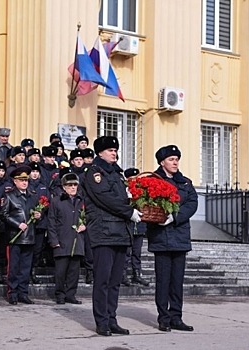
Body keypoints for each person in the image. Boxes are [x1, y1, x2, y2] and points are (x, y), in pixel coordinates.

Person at [81, 136, 142, 337]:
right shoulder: (94, 173)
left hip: (120, 233)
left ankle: (112, 318)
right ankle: (102, 322)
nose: (114, 153)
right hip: (103, 231)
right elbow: (104, 199)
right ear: (99, 153)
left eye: (115, 150)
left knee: (115, 281)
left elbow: (122, 197)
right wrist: (128, 211)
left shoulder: (117, 173)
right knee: (103, 280)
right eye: (109, 150)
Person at [146, 145, 198, 332]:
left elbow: (192, 203)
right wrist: (160, 217)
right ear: (162, 162)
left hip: (180, 235)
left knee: (177, 281)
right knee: (163, 280)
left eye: (177, 159)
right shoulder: (153, 180)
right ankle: (164, 318)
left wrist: (175, 217)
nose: (175, 162)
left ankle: (176, 317)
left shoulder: (184, 182)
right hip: (161, 236)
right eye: (171, 159)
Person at [0, 165, 41, 305]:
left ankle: (23, 292)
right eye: (21, 180)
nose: (25, 183)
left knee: (25, 267)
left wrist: (37, 215)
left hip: (29, 237)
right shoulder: (9, 196)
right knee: (13, 267)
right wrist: (17, 224)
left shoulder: (32, 196)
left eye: (26, 180)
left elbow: (34, 213)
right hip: (14, 236)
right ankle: (12, 292)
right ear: (15, 181)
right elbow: (3, 214)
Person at [48, 171, 86, 304]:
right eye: (70, 185)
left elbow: (90, 217)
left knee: (74, 272)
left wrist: (85, 225)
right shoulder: (56, 201)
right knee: (61, 272)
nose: (73, 187)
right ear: (64, 187)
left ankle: (71, 294)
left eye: (75, 185)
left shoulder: (82, 201)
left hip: (77, 241)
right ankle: (60, 294)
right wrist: (54, 241)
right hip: (62, 241)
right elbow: (51, 222)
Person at [122, 168, 150, 287]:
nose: (134, 180)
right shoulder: (124, 191)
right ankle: (123, 275)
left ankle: (137, 274)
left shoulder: (142, 192)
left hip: (139, 226)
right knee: (126, 253)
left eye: (136, 178)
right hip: (127, 226)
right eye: (131, 179)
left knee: (137, 252)